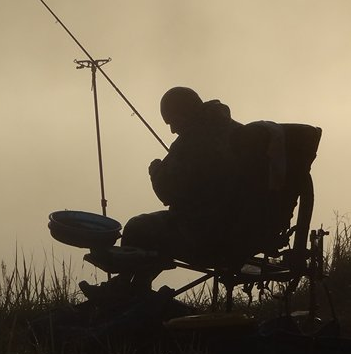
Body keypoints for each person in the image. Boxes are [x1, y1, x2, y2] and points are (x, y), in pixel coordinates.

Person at [81, 87, 255, 299]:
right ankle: (135, 289)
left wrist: (155, 169)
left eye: (173, 121)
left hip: (205, 237)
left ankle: (124, 289)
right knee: (157, 228)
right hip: (242, 234)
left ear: (185, 113)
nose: (172, 130)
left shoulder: (193, 140)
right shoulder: (239, 132)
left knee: (139, 227)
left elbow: (167, 192)